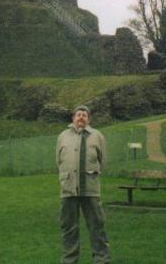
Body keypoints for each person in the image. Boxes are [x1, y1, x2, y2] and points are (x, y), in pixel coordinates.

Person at [56, 105, 110, 264]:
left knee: (97, 227)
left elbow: (103, 161)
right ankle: (69, 261)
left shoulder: (97, 136)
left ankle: (102, 260)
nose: (81, 117)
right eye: (78, 115)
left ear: (89, 119)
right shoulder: (63, 136)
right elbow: (58, 161)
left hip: (91, 189)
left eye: (84, 115)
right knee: (69, 228)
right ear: (73, 118)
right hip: (68, 189)